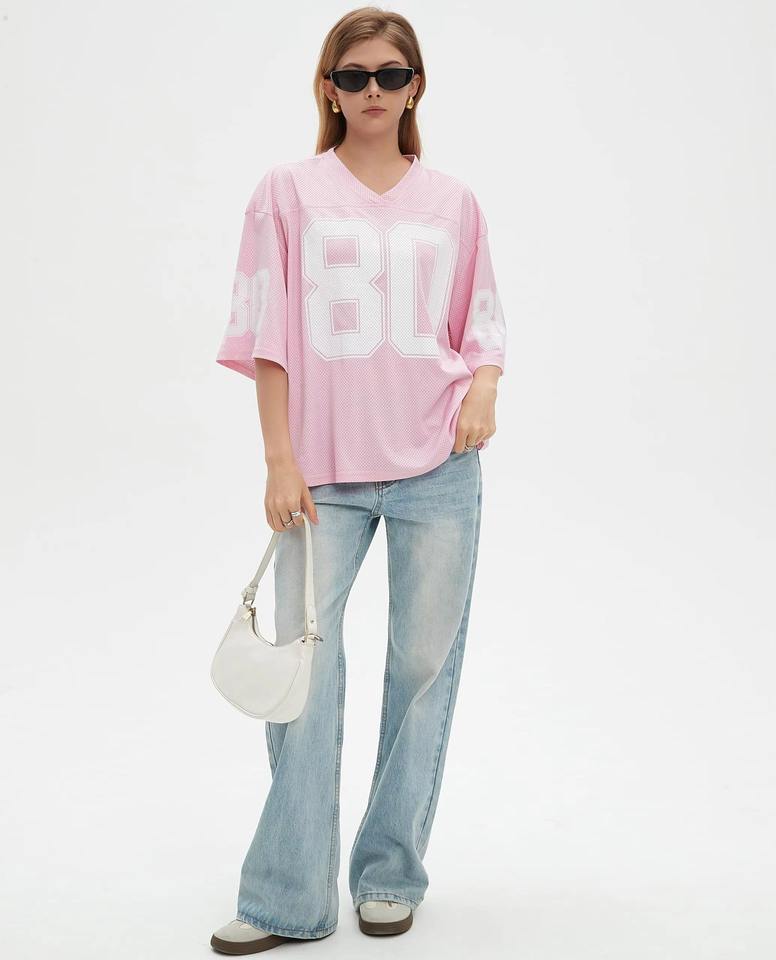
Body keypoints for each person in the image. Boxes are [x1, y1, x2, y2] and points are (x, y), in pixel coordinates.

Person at [210, 6, 507, 954]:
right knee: (304, 676)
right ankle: (287, 897)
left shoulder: (454, 201)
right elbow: (266, 334)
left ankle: (388, 873)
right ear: (328, 88)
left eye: (389, 74)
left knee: (423, 673)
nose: (371, 90)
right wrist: (279, 459)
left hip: (438, 468)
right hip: (321, 476)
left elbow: (481, 324)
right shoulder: (287, 193)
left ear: (415, 87)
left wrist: (484, 390)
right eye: (352, 75)